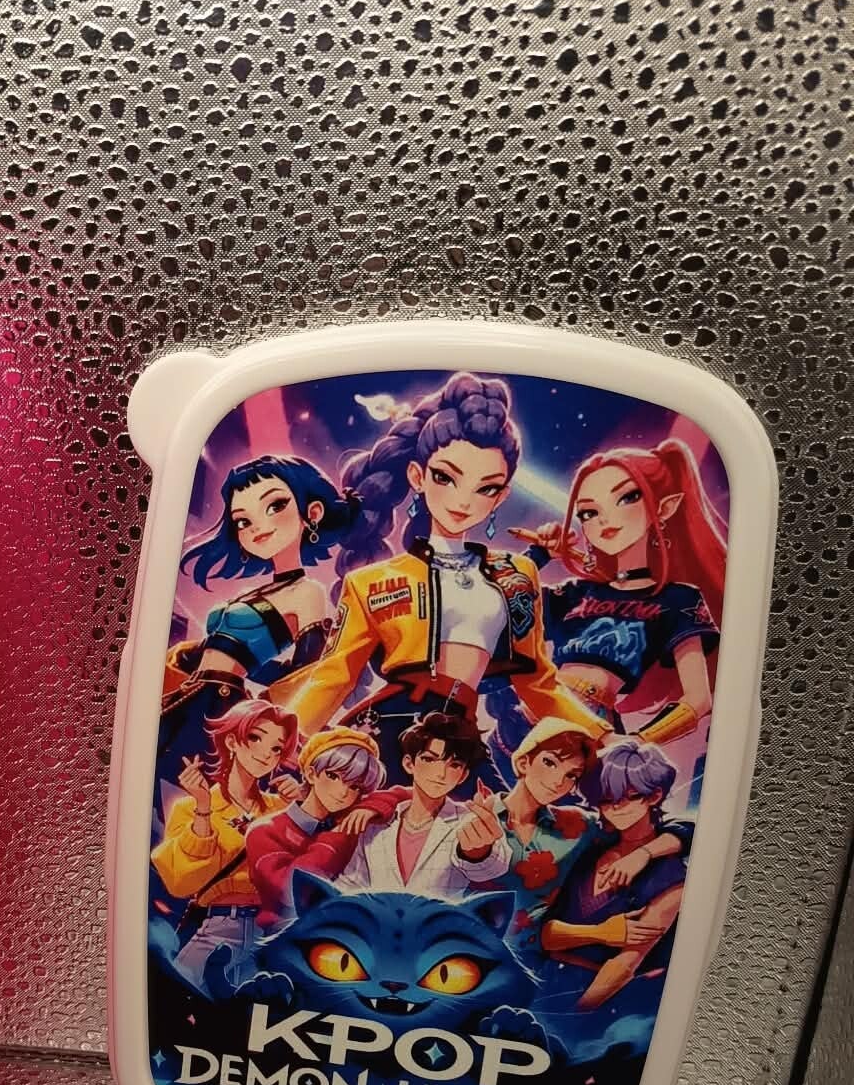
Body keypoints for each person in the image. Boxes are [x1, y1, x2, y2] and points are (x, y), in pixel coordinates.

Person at [268, 372, 604, 776]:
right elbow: (334, 676)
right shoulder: (370, 583)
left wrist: (602, 736)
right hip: (393, 730)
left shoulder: (516, 574)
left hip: (462, 736)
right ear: (418, 476)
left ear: (502, 495)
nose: (463, 501)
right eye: (446, 477)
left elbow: (538, 682)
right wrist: (282, 744)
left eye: (486, 488)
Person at [510, 437, 724, 745]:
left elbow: (698, 699)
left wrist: (638, 742)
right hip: (533, 708)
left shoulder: (678, 599)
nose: (604, 520)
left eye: (627, 498)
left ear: (665, 507)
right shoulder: (575, 592)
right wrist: (539, 555)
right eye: (588, 512)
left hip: (590, 728)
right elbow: (500, 604)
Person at [160, 455, 357, 772]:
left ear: (313, 513)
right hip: (190, 691)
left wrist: (263, 708)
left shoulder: (306, 592)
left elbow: (306, 670)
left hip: (220, 701)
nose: (256, 527)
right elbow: (222, 646)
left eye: (275, 506)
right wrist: (187, 656)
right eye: (243, 521)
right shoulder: (252, 593)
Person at [151, 698, 301, 990]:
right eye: (255, 738)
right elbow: (181, 882)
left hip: (270, 933)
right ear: (232, 741)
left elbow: (305, 874)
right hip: (216, 926)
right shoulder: (191, 807)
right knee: (179, 996)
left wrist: (300, 810)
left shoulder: (282, 808)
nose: (266, 753)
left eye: (276, 748)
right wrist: (203, 807)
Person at [541, 739, 692, 1008]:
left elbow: (626, 963)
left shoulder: (670, 875)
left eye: (627, 797)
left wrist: (577, 1012)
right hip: (544, 976)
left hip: (596, 995)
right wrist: (600, 932)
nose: (615, 808)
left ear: (654, 796)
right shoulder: (591, 849)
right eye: (606, 800)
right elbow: (547, 934)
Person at [339, 711, 510, 898]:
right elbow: (351, 883)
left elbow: (494, 866)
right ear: (409, 764)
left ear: (463, 775)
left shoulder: (468, 821)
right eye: (429, 759)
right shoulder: (377, 824)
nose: (440, 773)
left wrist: (478, 852)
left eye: (454, 764)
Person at [246, 728, 404, 925]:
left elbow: (412, 793)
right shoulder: (266, 831)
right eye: (333, 776)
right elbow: (291, 892)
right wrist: (335, 839)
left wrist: (371, 808)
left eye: (354, 786)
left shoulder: (350, 821)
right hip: (285, 934)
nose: (343, 792)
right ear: (311, 774)